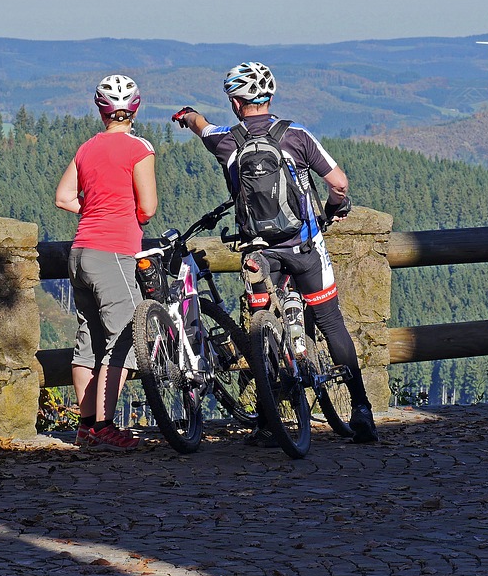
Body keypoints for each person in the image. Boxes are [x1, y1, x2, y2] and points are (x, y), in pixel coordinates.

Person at [172, 61, 379, 444]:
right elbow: (339, 183)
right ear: (270, 98)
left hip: (258, 254)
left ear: (235, 102)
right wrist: (335, 208)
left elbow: (201, 126)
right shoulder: (296, 135)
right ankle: (361, 408)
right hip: (304, 246)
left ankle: (270, 418)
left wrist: (187, 116)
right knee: (331, 322)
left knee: (261, 324)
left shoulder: (225, 140)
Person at [55, 74, 157, 451]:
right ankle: (104, 426)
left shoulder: (86, 149)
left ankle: (84, 426)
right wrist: (127, 216)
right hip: (114, 252)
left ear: (100, 108)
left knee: (89, 340)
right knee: (125, 337)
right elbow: (147, 207)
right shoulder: (138, 148)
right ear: (135, 107)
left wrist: (93, 209)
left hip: (79, 253)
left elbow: (64, 197)